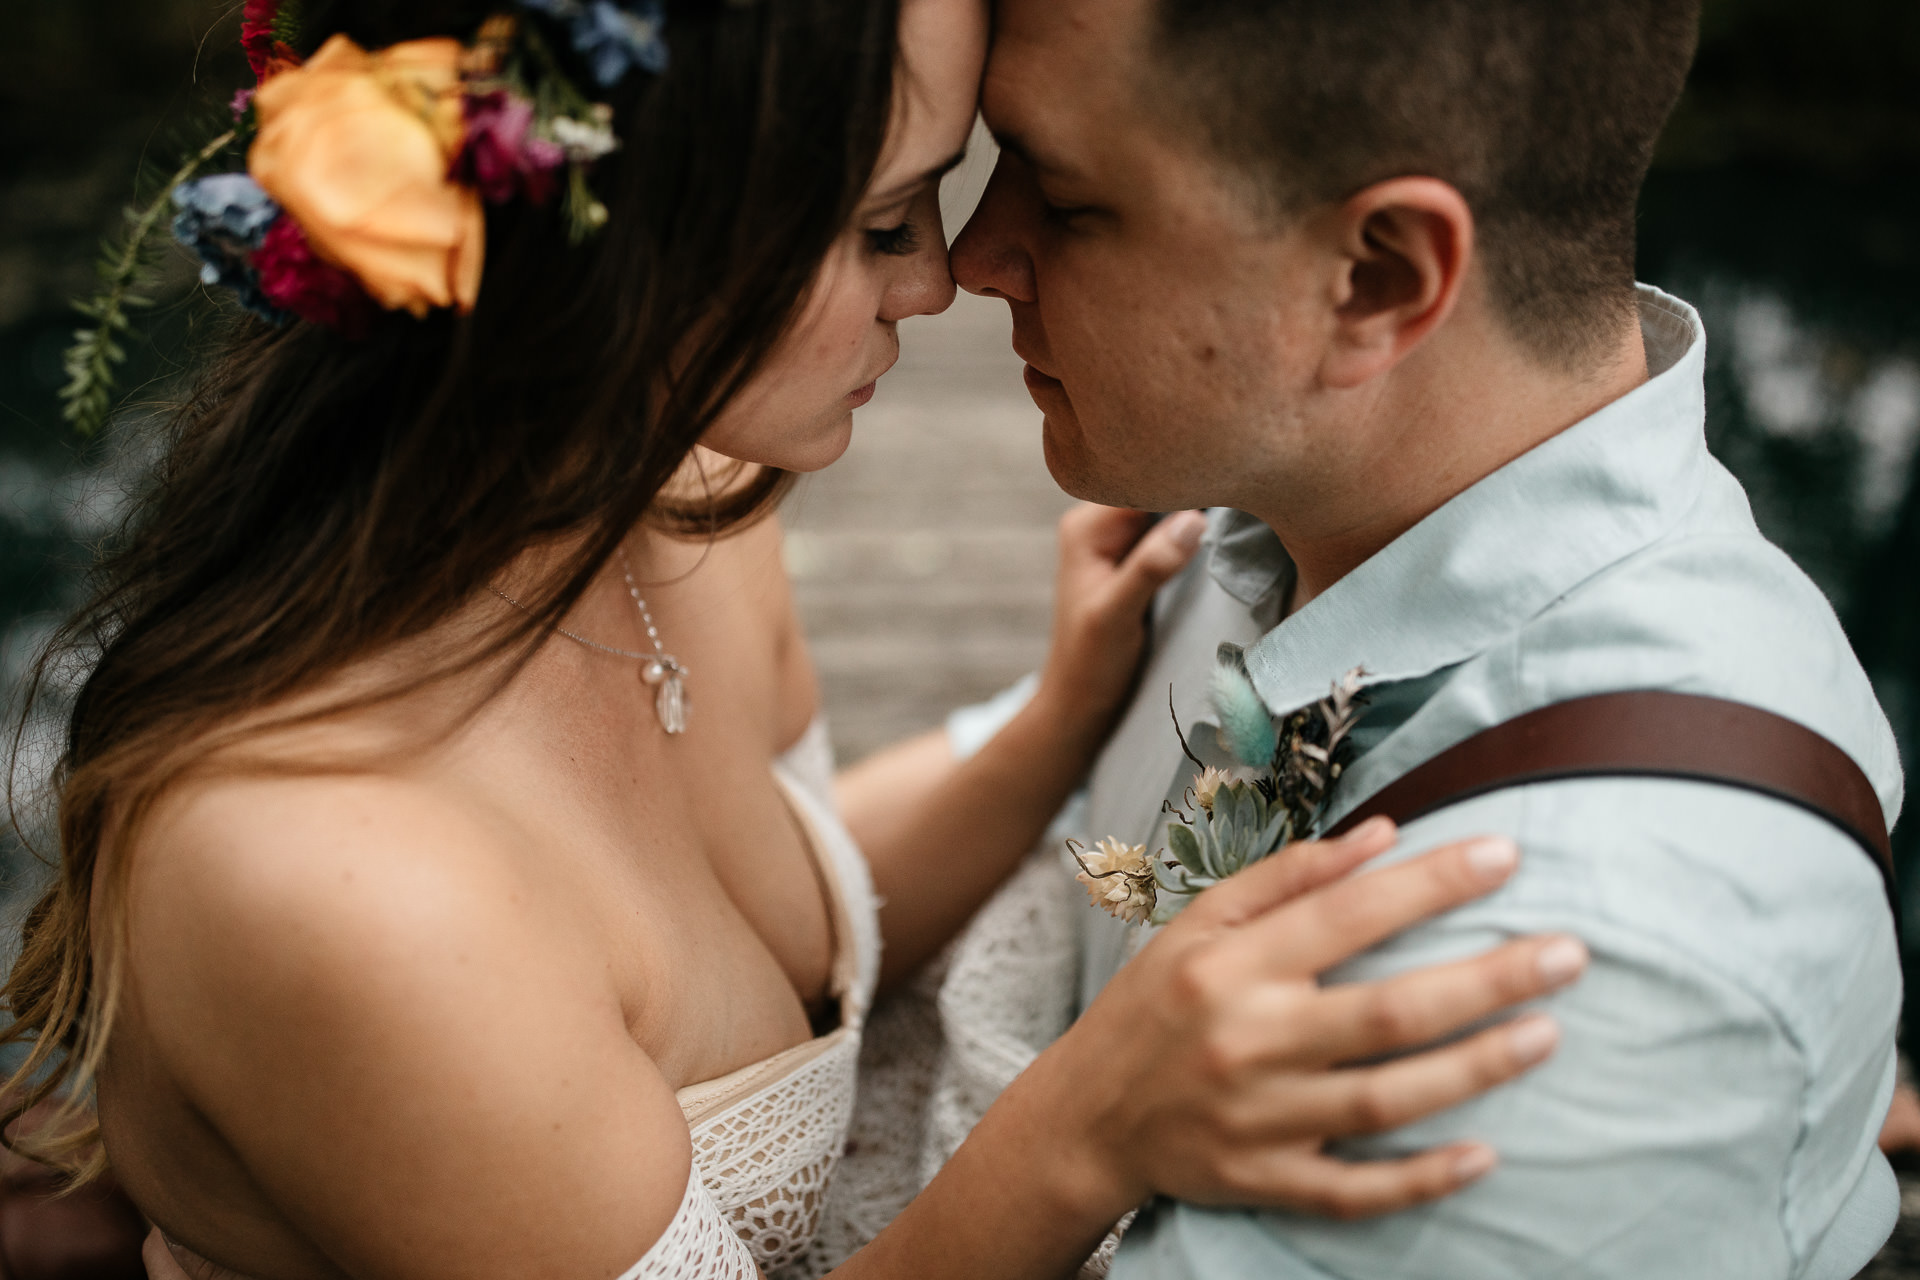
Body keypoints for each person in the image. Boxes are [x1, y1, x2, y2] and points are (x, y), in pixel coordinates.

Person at [0, 0, 1589, 1278]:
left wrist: (1049, 732)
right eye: (886, 219)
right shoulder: (345, 888)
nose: (946, 276)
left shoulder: (679, 496)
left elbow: (763, 928)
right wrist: (1086, 1129)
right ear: (641, 249)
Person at [878, 0, 1904, 1275]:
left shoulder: (1572, 972)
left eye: (1069, 198)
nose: (973, 257)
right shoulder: (1283, 510)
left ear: (1375, 277)